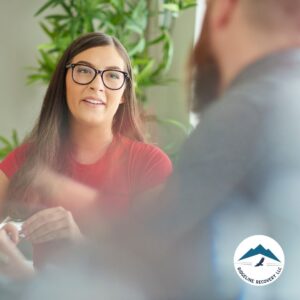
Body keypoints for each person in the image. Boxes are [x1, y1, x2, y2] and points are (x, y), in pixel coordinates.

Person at [0, 32, 172, 275]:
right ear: (64, 81)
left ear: (123, 93)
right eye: (83, 70)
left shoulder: (150, 165)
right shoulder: (28, 159)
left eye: (112, 75)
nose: (96, 84)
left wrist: (79, 242)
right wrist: (4, 237)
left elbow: (157, 271)